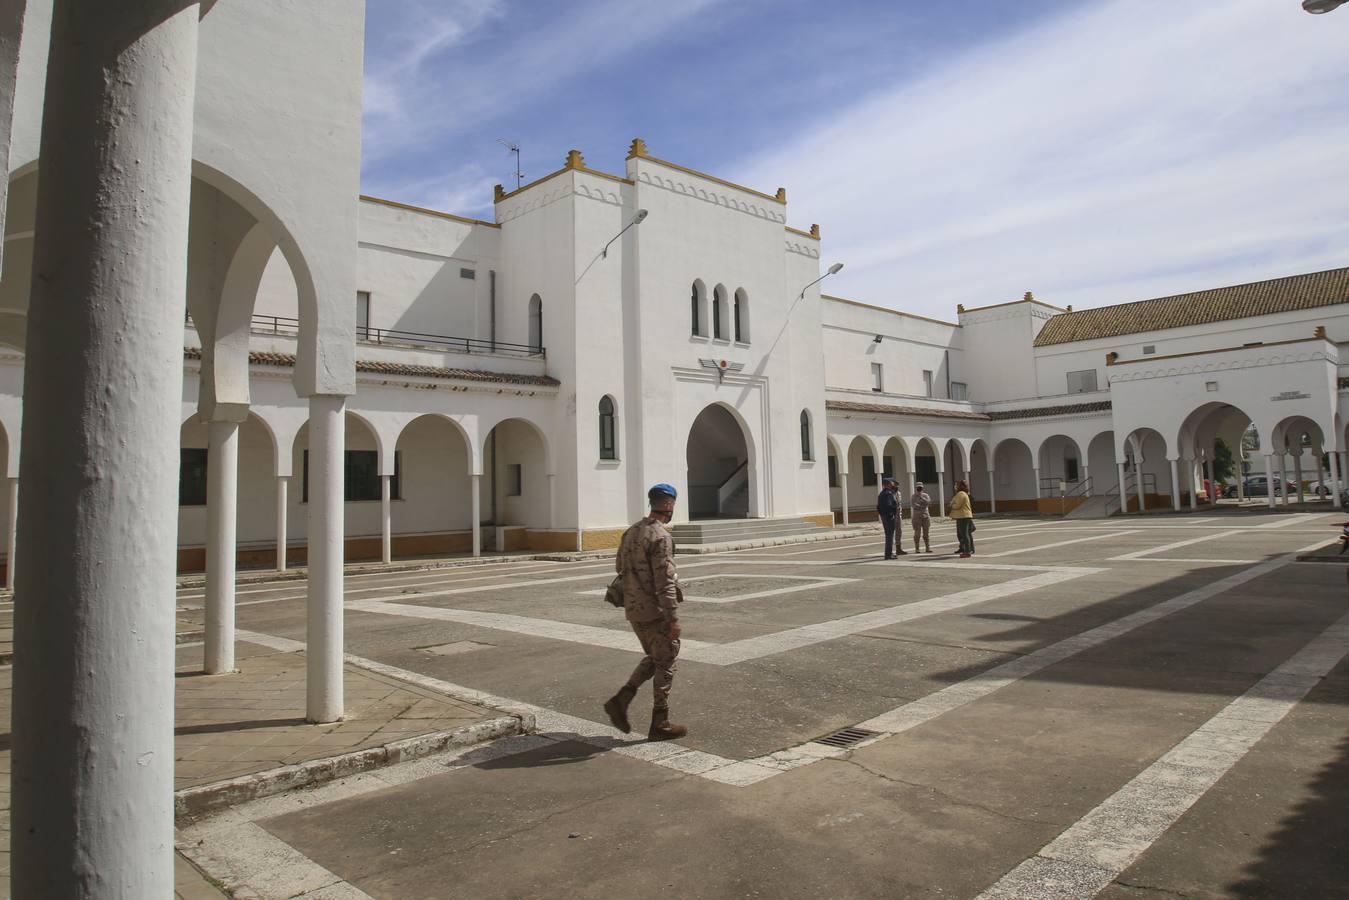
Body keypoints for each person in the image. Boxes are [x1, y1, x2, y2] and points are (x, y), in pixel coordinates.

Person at [603, 483, 688, 740]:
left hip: (633, 608)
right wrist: (672, 618)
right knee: (667, 659)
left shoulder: (630, 533)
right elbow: (665, 582)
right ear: (669, 505)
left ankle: (622, 700)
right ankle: (659, 723)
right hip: (654, 611)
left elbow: (619, 565)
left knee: (655, 656)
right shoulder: (660, 537)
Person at [877, 476, 906, 559]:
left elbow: (878, 507)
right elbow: (890, 505)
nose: (893, 484)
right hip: (889, 517)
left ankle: (888, 553)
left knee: (888, 535)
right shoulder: (888, 493)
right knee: (890, 536)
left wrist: (882, 514)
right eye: (892, 482)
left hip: (884, 516)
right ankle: (888, 554)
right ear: (889, 484)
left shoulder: (882, 493)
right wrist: (892, 513)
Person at [951, 479, 975, 558]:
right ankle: (970, 549)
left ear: (960, 486)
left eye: (956, 485)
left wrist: (952, 505)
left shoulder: (960, 494)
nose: (955, 486)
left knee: (964, 534)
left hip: (963, 516)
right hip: (965, 516)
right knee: (967, 534)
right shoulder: (964, 493)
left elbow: (957, 505)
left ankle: (967, 551)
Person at [911, 481, 932, 553]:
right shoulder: (913, 496)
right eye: (918, 488)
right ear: (916, 488)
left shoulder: (926, 495)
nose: (919, 489)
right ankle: (917, 548)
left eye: (921, 488)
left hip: (925, 515)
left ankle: (927, 547)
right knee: (917, 533)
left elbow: (928, 503)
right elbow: (914, 506)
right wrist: (922, 505)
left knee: (926, 533)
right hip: (917, 516)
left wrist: (922, 498)